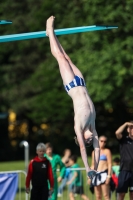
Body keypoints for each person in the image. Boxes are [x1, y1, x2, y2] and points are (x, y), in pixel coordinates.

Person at [46, 16, 100, 179]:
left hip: (71, 85)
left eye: (87, 141)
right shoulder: (92, 125)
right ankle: (52, 35)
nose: (91, 141)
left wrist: (87, 169)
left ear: (81, 138)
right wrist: (94, 167)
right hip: (81, 82)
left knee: (61, 58)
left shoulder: (79, 126)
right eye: (91, 141)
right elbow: (97, 149)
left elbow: (83, 149)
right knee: (67, 57)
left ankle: (49, 30)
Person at [115, 121, 133, 200]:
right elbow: (117, 132)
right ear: (128, 130)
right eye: (131, 128)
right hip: (124, 170)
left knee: (132, 194)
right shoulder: (124, 139)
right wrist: (126, 124)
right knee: (121, 193)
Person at [90, 136, 112, 200]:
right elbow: (93, 164)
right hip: (96, 174)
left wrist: (109, 176)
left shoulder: (107, 151)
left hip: (104, 173)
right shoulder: (94, 152)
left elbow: (110, 164)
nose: (103, 143)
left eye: (105, 141)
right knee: (98, 196)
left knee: (106, 195)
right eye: (101, 141)